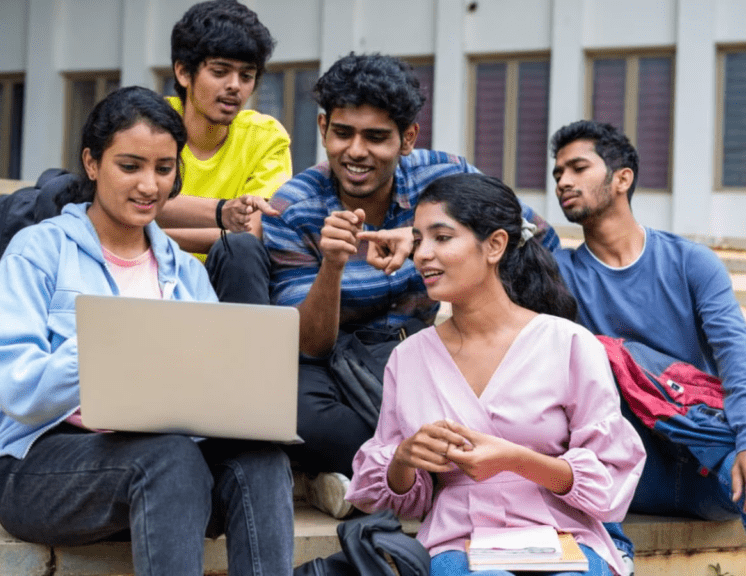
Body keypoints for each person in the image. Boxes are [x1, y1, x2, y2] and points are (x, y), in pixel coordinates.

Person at [0, 86, 293, 576]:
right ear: (92, 163)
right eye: (130, 166)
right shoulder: (38, 250)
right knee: (169, 459)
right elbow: (15, 388)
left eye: (164, 169)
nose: (149, 185)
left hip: (165, 476)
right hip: (39, 470)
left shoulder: (184, 272)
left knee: (261, 458)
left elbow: (209, 399)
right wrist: (108, 346)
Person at [262, 53, 560, 517]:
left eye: (376, 137)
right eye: (342, 133)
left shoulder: (444, 177)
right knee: (294, 412)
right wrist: (332, 266)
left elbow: (535, 234)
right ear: (322, 128)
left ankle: (363, 479)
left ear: (408, 138)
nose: (355, 151)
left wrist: (423, 237)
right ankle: (402, 473)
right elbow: (310, 344)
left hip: (425, 347)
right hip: (333, 361)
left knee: (461, 414)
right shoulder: (294, 208)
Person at [345, 173, 646, 576]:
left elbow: (610, 477)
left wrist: (515, 460)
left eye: (442, 237)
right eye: (418, 240)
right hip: (458, 540)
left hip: (564, 537)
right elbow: (401, 500)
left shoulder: (569, 343)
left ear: (495, 245)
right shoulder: (408, 358)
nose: (423, 255)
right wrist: (404, 459)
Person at [550, 120, 746, 561]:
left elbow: (737, 358)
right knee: (601, 354)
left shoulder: (691, 262)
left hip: (703, 455)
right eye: (558, 173)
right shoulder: (559, 275)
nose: (562, 181)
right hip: (625, 475)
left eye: (578, 168)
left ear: (622, 178)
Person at [157, 0, 289, 303]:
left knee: (240, 249)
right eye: (220, 72)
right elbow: (114, 203)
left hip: (223, 284)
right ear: (183, 72)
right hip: (145, 271)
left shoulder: (265, 137)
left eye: (246, 76)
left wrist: (149, 236)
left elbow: (251, 233)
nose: (235, 87)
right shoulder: (148, 124)